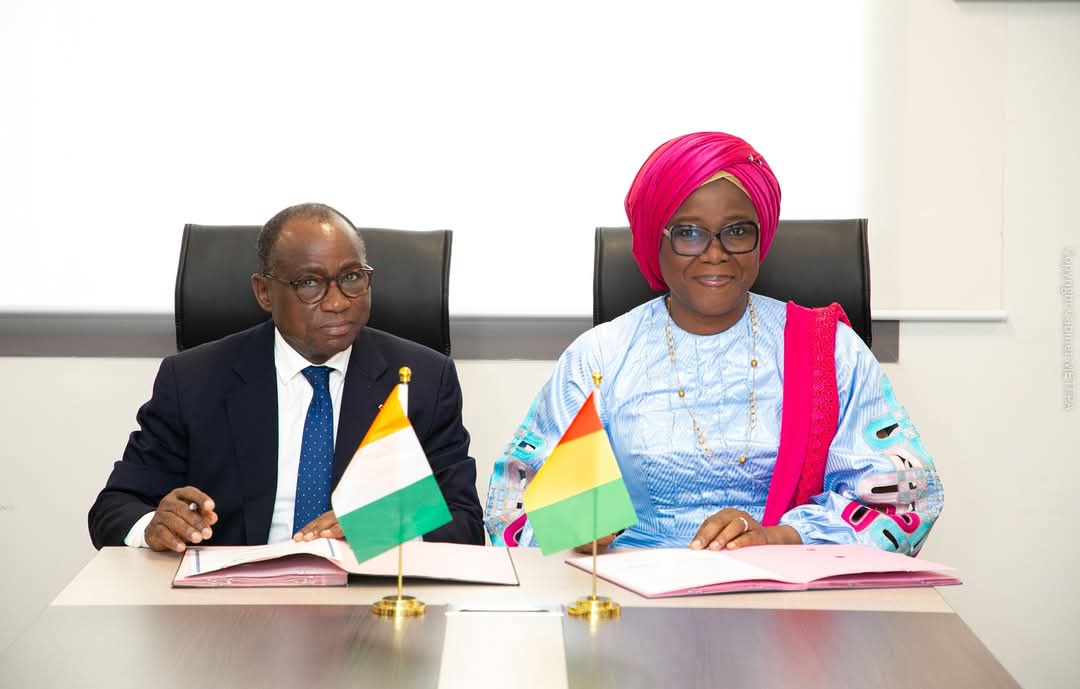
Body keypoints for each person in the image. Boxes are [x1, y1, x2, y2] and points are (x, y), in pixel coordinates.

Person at [485, 132, 943, 555]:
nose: (715, 253)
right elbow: (516, 509)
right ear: (655, 240)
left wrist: (780, 536)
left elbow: (905, 498)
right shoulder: (600, 356)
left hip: (783, 588)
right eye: (689, 233)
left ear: (760, 237)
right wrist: (573, 529)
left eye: (737, 231)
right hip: (634, 591)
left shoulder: (830, 350)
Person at [89, 203, 484, 551]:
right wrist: (155, 526)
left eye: (352, 278)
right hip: (233, 596)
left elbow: (465, 523)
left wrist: (374, 528)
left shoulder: (422, 380)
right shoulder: (194, 380)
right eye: (310, 283)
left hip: (365, 594)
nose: (337, 302)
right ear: (264, 292)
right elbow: (114, 507)